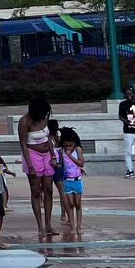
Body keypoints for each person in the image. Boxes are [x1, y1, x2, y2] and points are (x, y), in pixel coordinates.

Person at [18, 96, 59, 240]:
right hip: (32, 154)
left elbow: (48, 138)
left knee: (48, 189)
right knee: (36, 190)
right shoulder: (25, 121)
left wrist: (53, 155)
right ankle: (40, 226)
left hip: (47, 154)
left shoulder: (45, 119)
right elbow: (23, 143)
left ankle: (48, 224)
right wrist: (30, 165)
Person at [56, 127, 86, 235]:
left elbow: (81, 163)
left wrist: (70, 156)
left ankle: (79, 227)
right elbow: (61, 165)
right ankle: (72, 226)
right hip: (67, 181)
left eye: (70, 146)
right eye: (66, 146)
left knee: (78, 204)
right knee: (70, 204)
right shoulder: (61, 151)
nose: (68, 148)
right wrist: (55, 164)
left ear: (74, 143)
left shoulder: (77, 150)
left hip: (76, 180)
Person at [118, 97, 135, 177]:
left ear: (133, 94)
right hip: (128, 131)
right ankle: (130, 170)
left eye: (130, 93)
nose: (129, 96)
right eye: (127, 94)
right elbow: (120, 116)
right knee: (128, 152)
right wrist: (125, 121)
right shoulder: (122, 104)